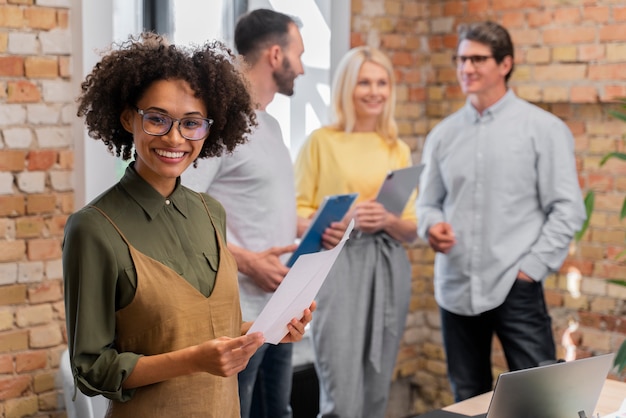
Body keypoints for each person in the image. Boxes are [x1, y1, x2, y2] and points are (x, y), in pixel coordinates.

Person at [62, 32, 314, 418]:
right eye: (157, 119)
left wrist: (268, 328)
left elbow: (206, 330)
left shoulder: (211, 212)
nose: (175, 138)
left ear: (210, 129)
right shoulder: (93, 228)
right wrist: (195, 360)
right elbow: (91, 371)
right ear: (129, 117)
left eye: (191, 123)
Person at [416, 21, 586, 402]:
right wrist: (432, 225)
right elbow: (426, 203)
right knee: (467, 397)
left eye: (478, 59)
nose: (466, 68)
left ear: (505, 63)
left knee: (541, 400)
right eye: (461, 59)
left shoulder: (543, 129)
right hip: (455, 286)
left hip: (516, 285)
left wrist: (529, 271)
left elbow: (567, 209)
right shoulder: (442, 135)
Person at [181, 9, 304, 418]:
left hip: (279, 309)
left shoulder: (271, 127)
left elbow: (258, 206)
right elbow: (182, 210)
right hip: (239, 316)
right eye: (298, 55)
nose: (302, 68)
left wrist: (308, 223)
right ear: (275, 55)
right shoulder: (219, 126)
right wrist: (248, 261)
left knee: (278, 412)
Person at [294, 46, 418, 418]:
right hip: (338, 264)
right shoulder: (321, 142)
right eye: (365, 82)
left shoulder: (397, 148)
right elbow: (295, 215)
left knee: (378, 385)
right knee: (342, 390)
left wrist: (386, 220)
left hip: (388, 263)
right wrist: (343, 219)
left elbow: (410, 230)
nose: (375, 91)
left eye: (382, 83)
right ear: (347, 87)